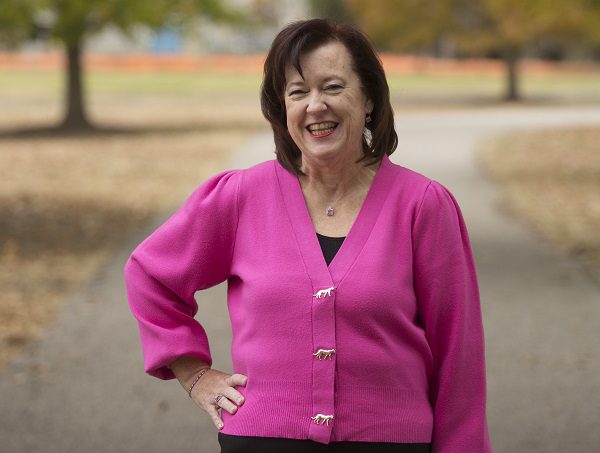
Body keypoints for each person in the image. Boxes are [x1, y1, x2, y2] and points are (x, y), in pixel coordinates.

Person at [124, 18, 493, 453]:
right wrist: (196, 376)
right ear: (282, 108)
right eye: (298, 92)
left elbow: (459, 356)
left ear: (369, 97)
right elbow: (150, 275)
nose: (315, 106)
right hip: (262, 439)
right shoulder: (241, 196)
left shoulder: (423, 205)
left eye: (333, 87)